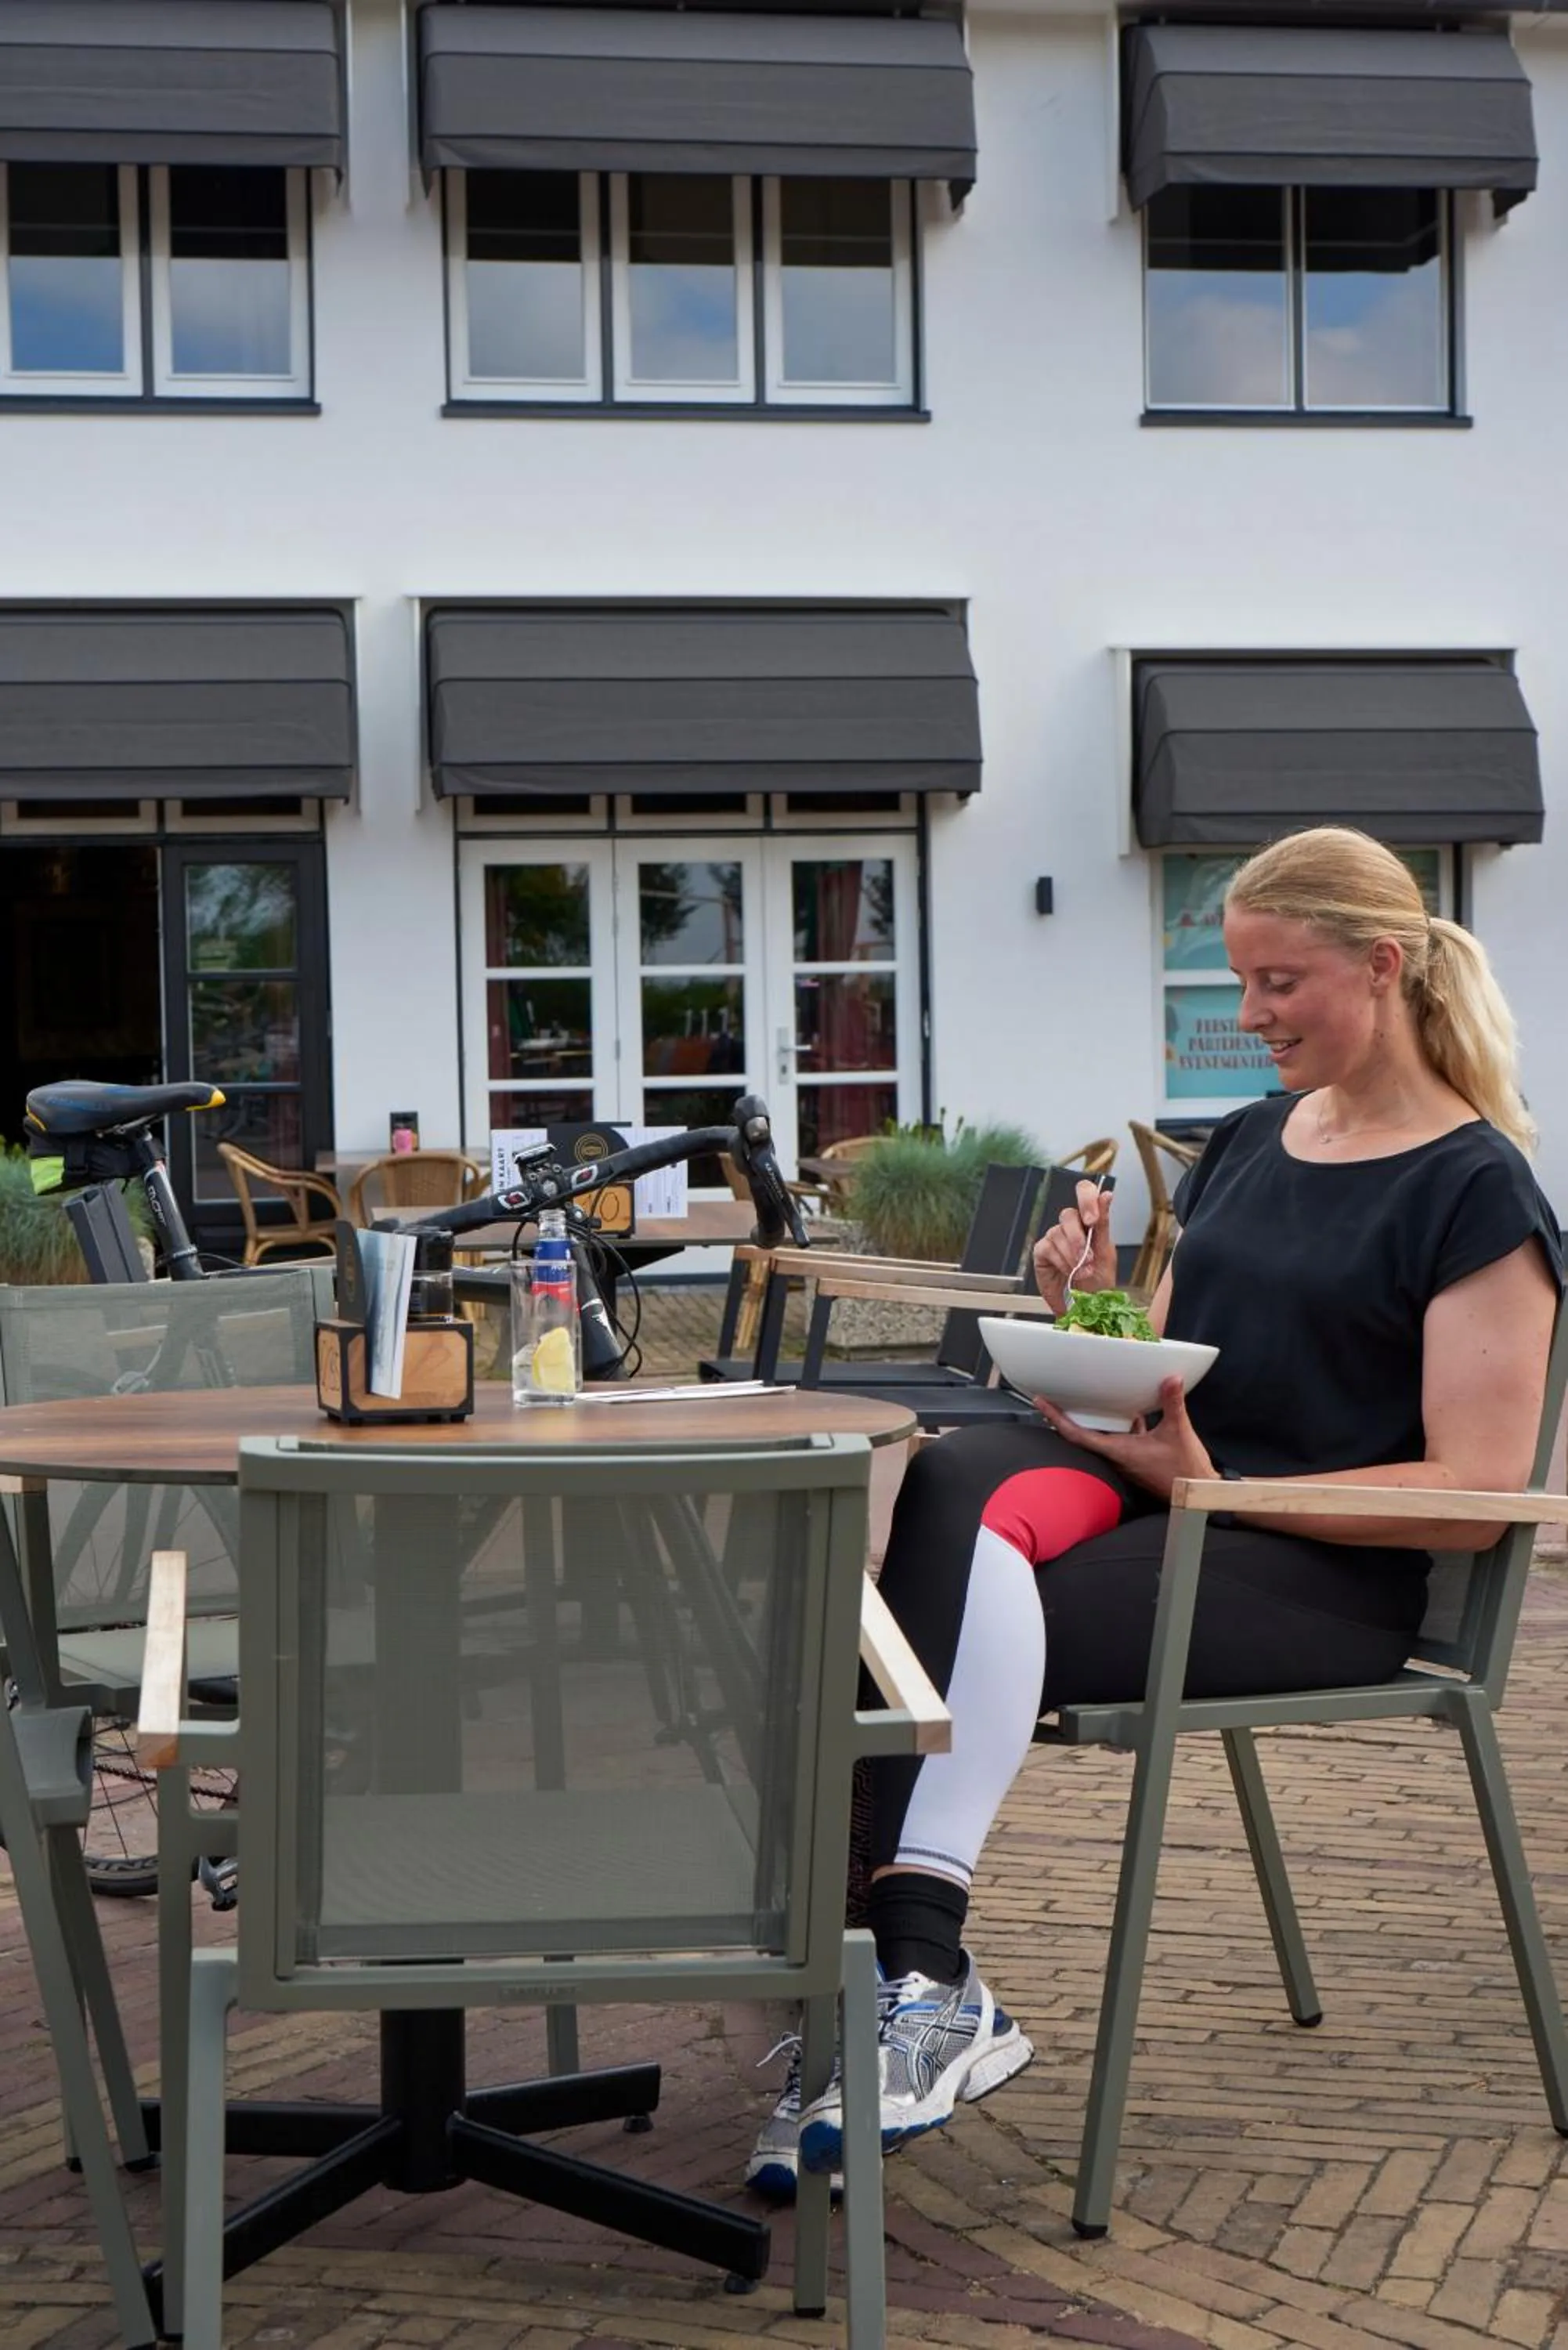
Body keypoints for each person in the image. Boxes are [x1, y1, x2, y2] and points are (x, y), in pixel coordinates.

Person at [746, 825, 1562, 2196]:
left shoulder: (1476, 1191)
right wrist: (1088, 1310)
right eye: (1236, 980)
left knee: (927, 1610)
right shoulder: (1249, 1140)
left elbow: (1472, 1501)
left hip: (1321, 1576)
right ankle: (914, 1977)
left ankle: (900, 1978)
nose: (1247, 1017)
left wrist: (1215, 1487)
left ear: (1382, 965)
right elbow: (1161, 1377)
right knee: (931, 1484)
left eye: (1276, 983)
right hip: (1176, 1512)